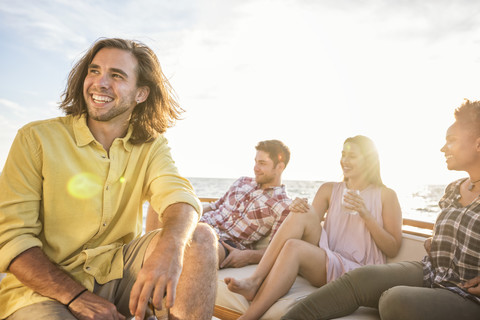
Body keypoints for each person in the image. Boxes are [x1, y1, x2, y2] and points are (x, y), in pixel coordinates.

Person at [0, 38, 217, 320]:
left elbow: (179, 196)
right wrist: (77, 297)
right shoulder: (35, 139)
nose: (100, 83)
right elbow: (12, 239)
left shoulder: (152, 146)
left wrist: (171, 247)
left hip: (119, 275)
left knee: (200, 239)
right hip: (41, 290)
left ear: (140, 94)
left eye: (116, 75)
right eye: (94, 71)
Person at [281, 100, 480, 320]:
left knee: (394, 300)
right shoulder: (453, 189)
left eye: (451, 141)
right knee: (359, 277)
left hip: (467, 295)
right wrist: (441, 242)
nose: (443, 148)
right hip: (432, 272)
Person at [226, 135, 403, 320]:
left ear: (369, 160)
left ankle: (248, 317)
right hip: (328, 257)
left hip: (359, 271)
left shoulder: (386, 195)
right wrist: (296, 209)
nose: (345, 161)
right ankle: (255, 280)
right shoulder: (329, 189)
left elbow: (393, 247)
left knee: (294, 247)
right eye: (343, 155)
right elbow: (306, 226)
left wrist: (365, 214)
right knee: (301, 212)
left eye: (352, 156)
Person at [147, 139, 292, 269]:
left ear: (280, 167)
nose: (255, 167)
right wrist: (186, 212)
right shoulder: (242, 181)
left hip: (224, 243)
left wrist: (248, 256)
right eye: (255, 162)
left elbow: (275, 249)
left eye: (262, 163)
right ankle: (145, 259)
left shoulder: (282, 205)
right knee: (162, 202)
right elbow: (215, 206)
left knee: (200, 246)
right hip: (199, 223)